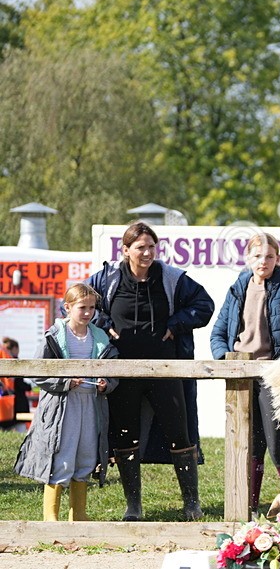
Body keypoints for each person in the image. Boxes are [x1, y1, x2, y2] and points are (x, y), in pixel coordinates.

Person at [88, 221, 215, 521]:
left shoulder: (171, 278)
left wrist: (176, 324)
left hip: (165, 369)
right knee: (125, 434)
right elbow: (83, 304)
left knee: (179, 433)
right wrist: (104, 323)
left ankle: (192, 504)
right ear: (126, 250)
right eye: (140, 247)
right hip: (125, 370)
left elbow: (204, 305)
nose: (147, 253)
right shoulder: (107, 278)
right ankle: (134, 507)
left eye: (151, 247)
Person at [210, 233, 280, 512]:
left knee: (276, 445)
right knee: (249, 446)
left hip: (273, 375)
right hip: (241, 373)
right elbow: (218, 333)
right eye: (258, 256)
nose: (263, 261)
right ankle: (249, 507)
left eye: (269, 256)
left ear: (278, 258)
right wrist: (225, 358)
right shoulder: (237, 289)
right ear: (248, 258)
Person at [13, 284, 118, 521]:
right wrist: (65, 383)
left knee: (86, 455)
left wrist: (106, 384)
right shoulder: (52, 337)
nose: (88, 312)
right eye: (82, 307)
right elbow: (37, 373)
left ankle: (78, 515)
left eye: (92, 307)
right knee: (60, 455)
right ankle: (51, 518)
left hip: (91, 404)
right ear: (68, 307)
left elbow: (114, 373)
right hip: (61, 407)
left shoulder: (101, 337)